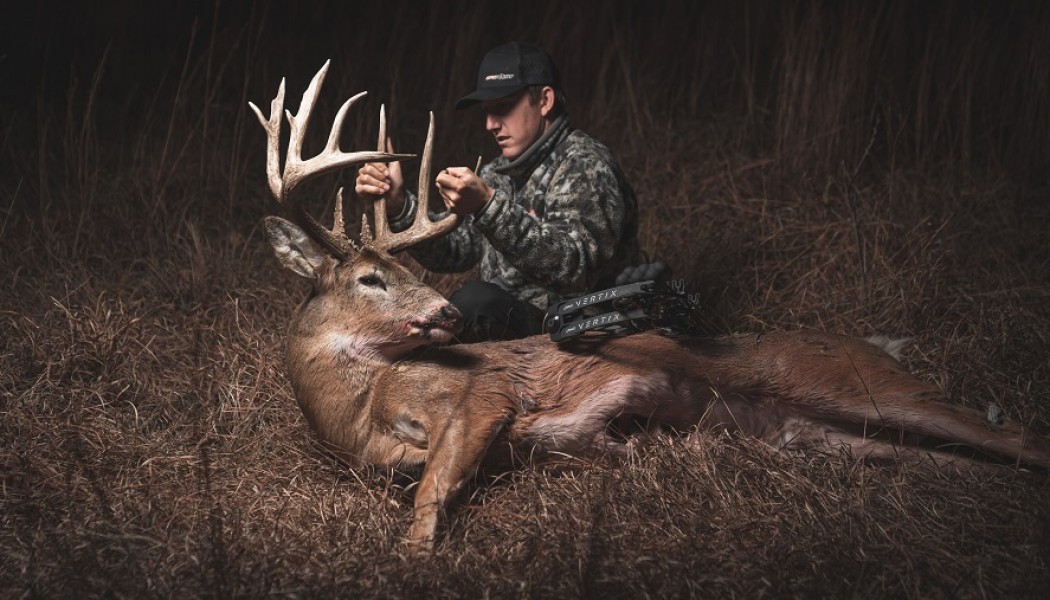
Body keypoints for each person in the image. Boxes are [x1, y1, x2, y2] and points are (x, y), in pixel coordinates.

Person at [355, 42, 639, 342]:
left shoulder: (585, 165)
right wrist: (399, 205)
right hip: (516, 331)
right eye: (486, 112)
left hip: (581, 337)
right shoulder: (497, 172)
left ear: (544, 100)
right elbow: (455, 252)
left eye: (503, 107)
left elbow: (574, 271)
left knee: (475, 303)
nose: (490, 124)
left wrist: (487, 206)